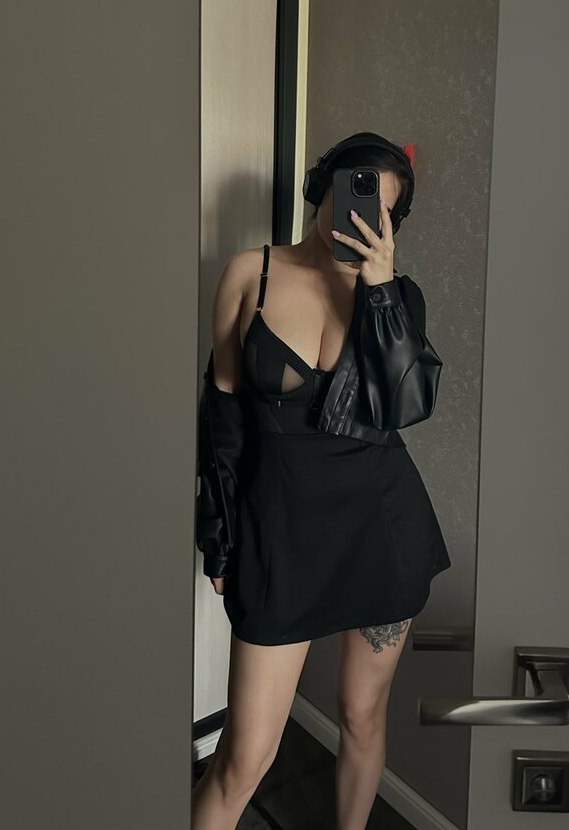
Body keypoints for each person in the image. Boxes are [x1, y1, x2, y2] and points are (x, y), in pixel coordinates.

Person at [191, 133, 451, 830]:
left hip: (382, 535)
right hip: (282, 539)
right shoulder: (251, 273)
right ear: (324, 185)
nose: (360, 212)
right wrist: (219, 541)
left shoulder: (400, 299)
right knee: (244, 758)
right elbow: (222, 424)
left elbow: (405, 407)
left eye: (381, 208)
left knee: (361, 719)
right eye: (354, 187)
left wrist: (380, 291)